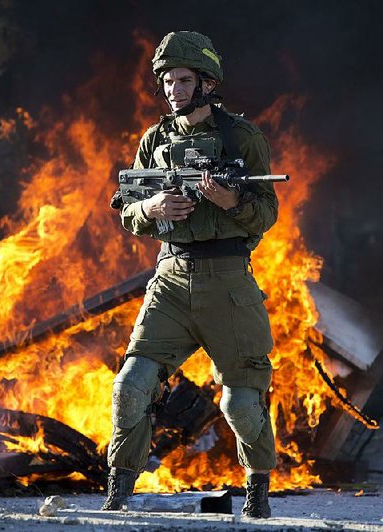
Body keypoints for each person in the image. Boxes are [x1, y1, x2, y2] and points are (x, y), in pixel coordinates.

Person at [104, 30, 279, 519]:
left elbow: (267, 213)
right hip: (170, 280)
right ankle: (118, 491)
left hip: (228, 283)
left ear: (207, 83)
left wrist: (233, 200)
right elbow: (127, 208)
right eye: (167, 82)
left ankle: (258, 492)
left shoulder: (241, 138)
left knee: (241, 404)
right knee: (131, 386)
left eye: (182, 80)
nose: (173, 90)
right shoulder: (155, 140)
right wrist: (154, 207)